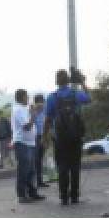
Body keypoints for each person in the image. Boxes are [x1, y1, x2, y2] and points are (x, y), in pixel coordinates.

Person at [43, 67, 91, 205]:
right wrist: (82, 82)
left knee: (62, 167)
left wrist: (44, 137)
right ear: (68, 80)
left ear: (56, 82)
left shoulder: (52, 97)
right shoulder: (76, 94)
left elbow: (47, 119)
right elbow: (89, 99)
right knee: (75, 166)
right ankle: (75, 195)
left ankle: (64, 196)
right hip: (76, 136)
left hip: (59, 138)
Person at [11, 89, 43, 204]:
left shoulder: (24, 108)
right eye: (26, 96)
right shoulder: (18, 110)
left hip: (29, 142)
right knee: (24, 170)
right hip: (22, 143)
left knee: (31, 170)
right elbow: (27, 126)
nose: (28, 98)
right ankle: (21, 195)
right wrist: (34, 115)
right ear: (21, 98)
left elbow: (34, 108)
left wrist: (35, 109)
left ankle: (32, 192)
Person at [31, 94, 49, 188]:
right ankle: (35, 181)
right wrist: (34, 110)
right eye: (41, 102)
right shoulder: (33, 111)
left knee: (40, 159)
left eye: (43, 102)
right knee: (36, 159)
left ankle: (40, 180)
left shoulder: (45, 111)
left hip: (44, 136)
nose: (42, 104)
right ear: (37, 102)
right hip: (36, 137)